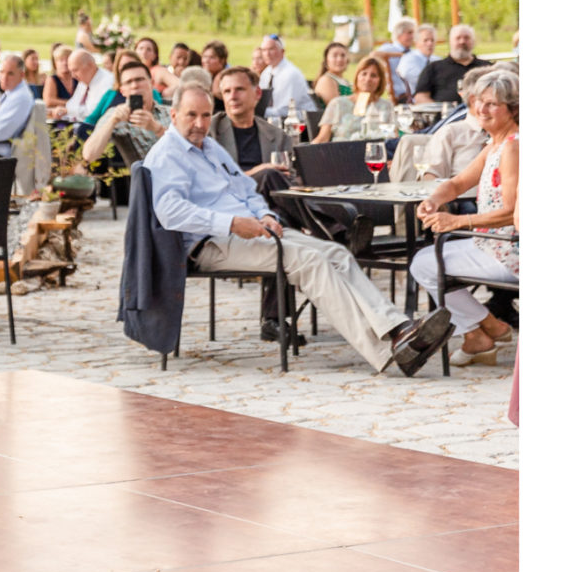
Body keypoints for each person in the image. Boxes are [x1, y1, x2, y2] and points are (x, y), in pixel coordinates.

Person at [144, 85, 453, 376]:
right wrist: (234, 223)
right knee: (309, 261)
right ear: (173, 115)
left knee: (335, 252)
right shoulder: (167, 155)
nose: (199, 123)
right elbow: (170, 212)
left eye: (205, 115)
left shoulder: (208, 147)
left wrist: (264, 213)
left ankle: (399, 329)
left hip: (249, 231)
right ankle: (385, 352)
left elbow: (246, 188)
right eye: (191, 115)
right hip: (211, 243)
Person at [410, 68, 518, 365]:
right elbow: (458, 183)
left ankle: (482, 332)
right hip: (491, 242)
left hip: (512, 250)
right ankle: (480, 334)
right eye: (479, 101)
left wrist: (458, 222)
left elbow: (513, 213)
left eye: (492, 104)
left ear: (513, 109)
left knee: (425, 264)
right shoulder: (495, 143)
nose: (482, 109)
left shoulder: (513, 148)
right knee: (426, 259)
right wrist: (432, 199)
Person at [208, 67, 290, 186]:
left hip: (269, 200)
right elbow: (209, 180)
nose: (233, 97)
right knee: (268, 174)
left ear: (257, 93)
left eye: (239, 89)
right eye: (227, 92)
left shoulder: (277, 136)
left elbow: (289, 178)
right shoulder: (210, 131)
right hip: (227, 199)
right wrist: (257, 172)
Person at [81, 58, 169, 165]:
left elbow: (190, 149)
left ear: (151, 83)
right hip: (147, 178)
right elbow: (89, 155)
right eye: (128, 82)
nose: (134, 86)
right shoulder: (115, 114)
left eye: (139, 79)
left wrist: (157, 129)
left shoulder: (170, 113)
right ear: (122, 91)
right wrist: (112, 122)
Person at [314, 56, 392, 143]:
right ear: (357, 77)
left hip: (376, 153)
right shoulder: (338, 104)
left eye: (373, 75)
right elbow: (322, 138)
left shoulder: (386, 105)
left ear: (380, 81)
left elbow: (392, 137)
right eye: (364, 74)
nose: (368, 79)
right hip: (342, 152)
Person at [413, 23, 490, 105]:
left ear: (473, 42)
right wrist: (441, 111)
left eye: (466, 38)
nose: (462, 41)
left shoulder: (487, 68)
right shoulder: (433, 68)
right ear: (450, 42)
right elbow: (421, 97)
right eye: (458, 38)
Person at [256, 33, 316, 114]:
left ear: (282, 51)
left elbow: (286, 110)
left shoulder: (290, 74)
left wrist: (256, 112)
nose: (267, 54)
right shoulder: (266, 73)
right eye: (264, 50)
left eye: (271, 49)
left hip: (301, 121)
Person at [57, 48, 112, 125]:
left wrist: (67, 110)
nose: (73, 76)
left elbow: (93, 112)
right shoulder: (84, 81)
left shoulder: (107, 82)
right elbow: (71, 104)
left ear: (90, 65)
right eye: (71, 71)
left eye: (75, 70)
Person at [395, 23, 437, 103]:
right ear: (416, 42)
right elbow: (418, 81)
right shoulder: (408, 59)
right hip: (416, 101)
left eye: (432, 40)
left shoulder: (437, 60)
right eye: (426, 40)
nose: (430, 43)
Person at [311, 42, 353, 106]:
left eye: (343, 55)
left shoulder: (345, 81)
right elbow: (336, 108)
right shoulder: (326, 80)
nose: (339, 59)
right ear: (327, 60)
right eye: (335, 56)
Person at [43, 44, 76, 113]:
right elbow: (49, 101)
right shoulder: (52, 79)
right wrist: (72, 104)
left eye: (67, 59)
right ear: (55, 63)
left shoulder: (76, 78)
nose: (65, 63)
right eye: (61, 60)